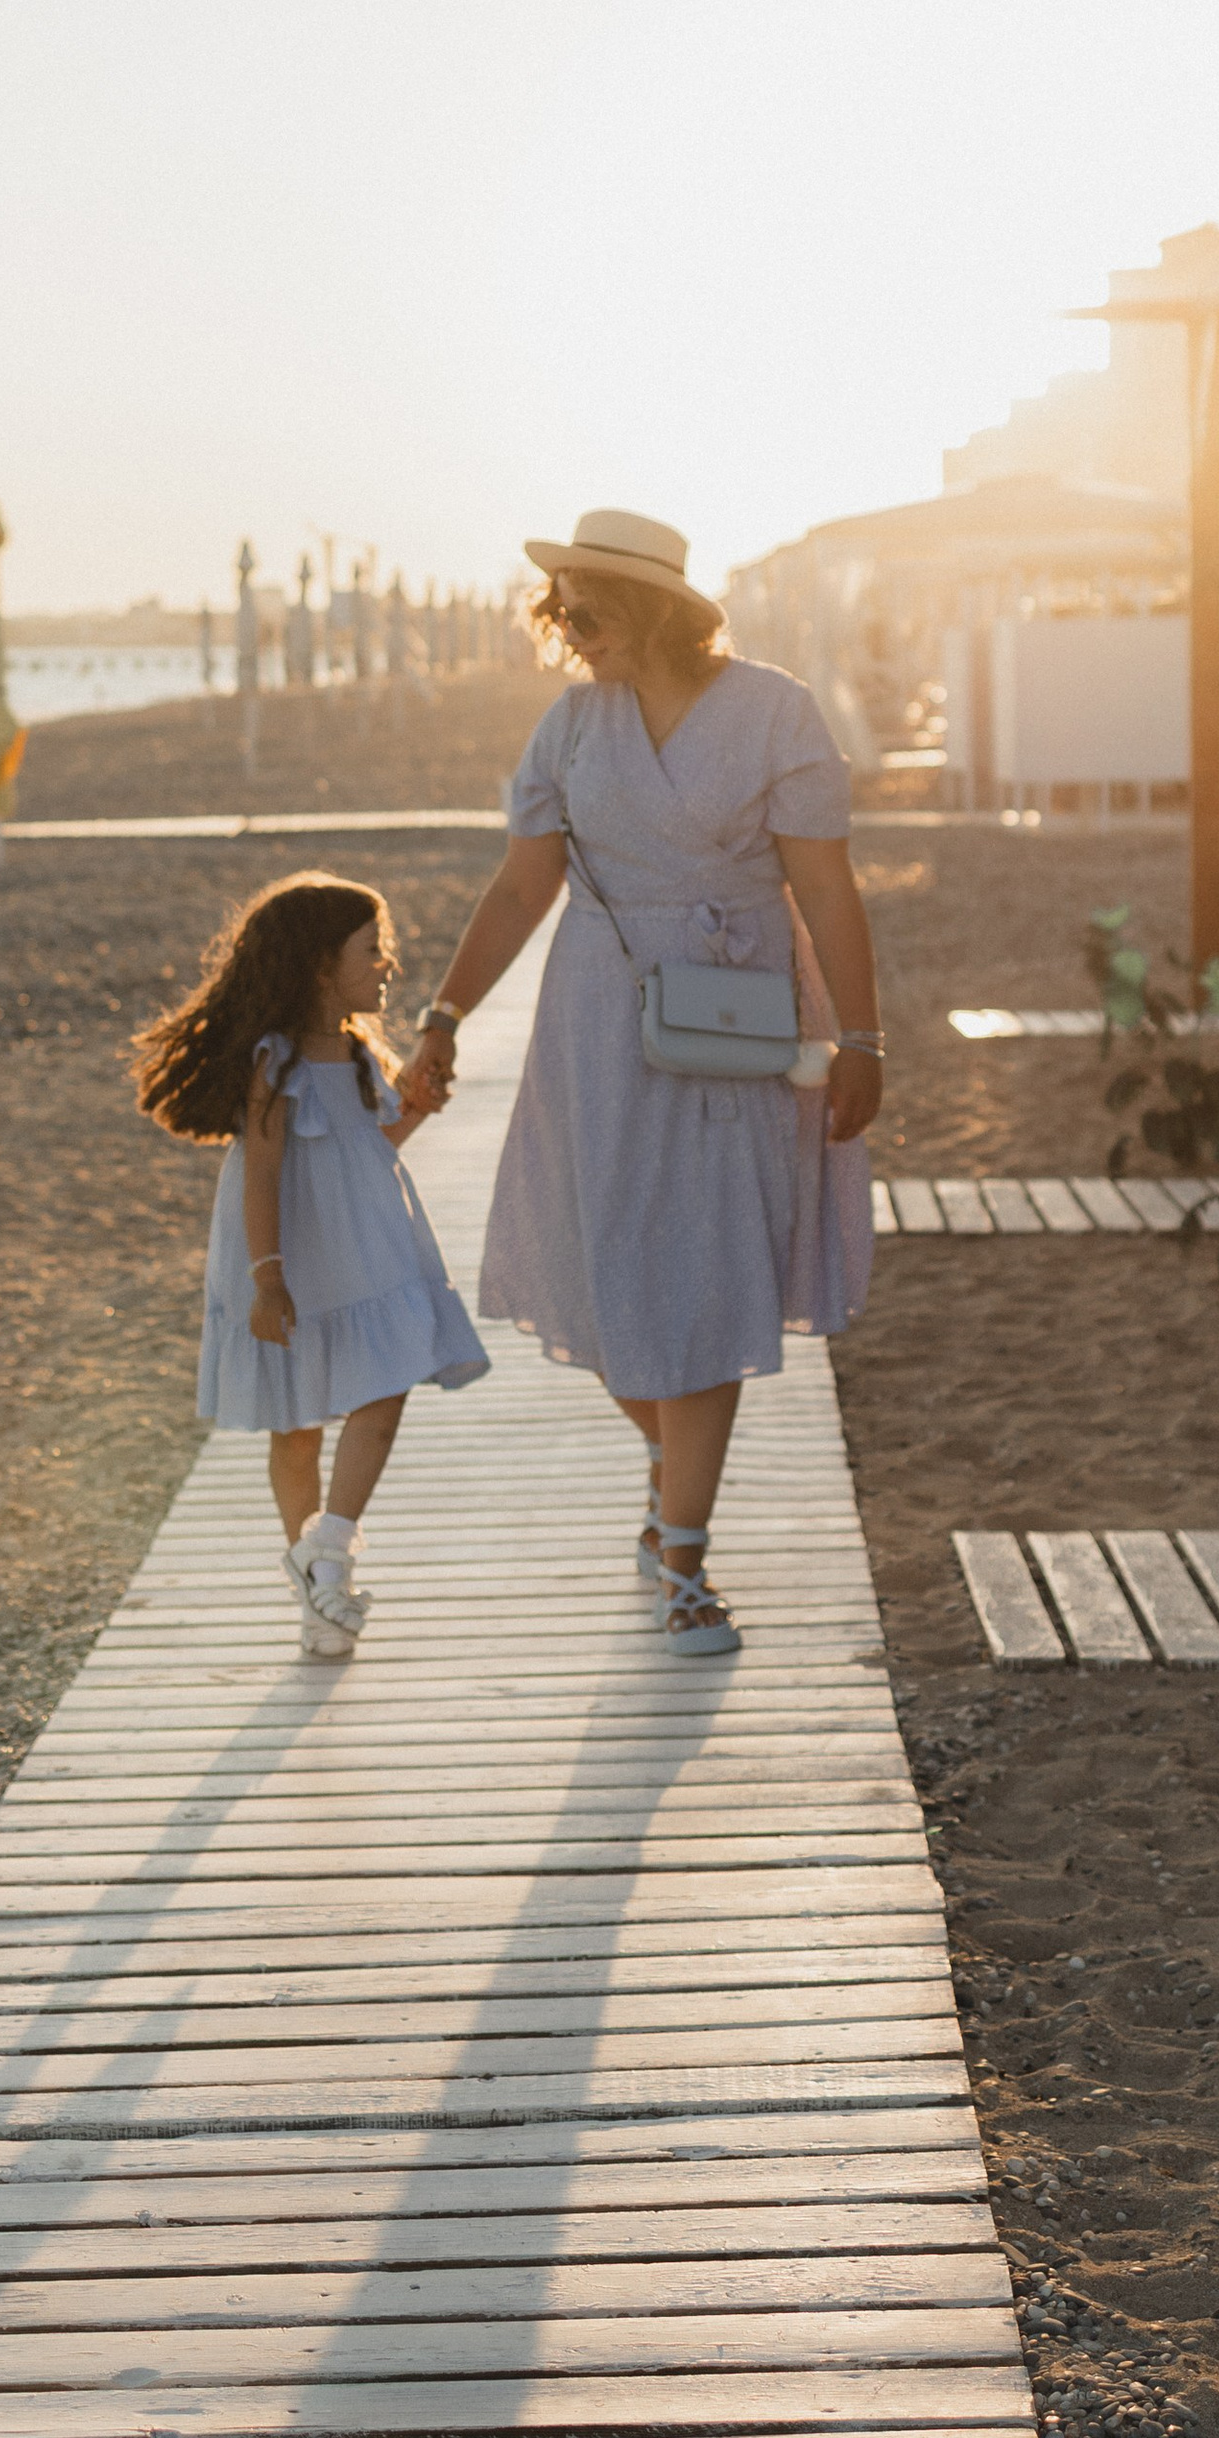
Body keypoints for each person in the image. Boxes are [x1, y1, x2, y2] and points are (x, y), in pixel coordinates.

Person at [400, 508, 880, 1654]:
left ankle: (685, 1564)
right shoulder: (570, 730)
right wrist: (444, 1011)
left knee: (708, 1276)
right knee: (610, 1277)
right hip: (602, 1024)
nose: (569, 630)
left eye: (588, 607)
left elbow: (826, 890)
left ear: (657, 606)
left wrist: (862, 1039)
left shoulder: (776, 712)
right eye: (559, 610)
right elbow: (522, 890)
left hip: (742, 1016)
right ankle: (673, 1467)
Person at [136, 872, 487, 1657]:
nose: (389, 965)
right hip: (290, 1254)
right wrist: (268, 1276)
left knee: (386, 1384)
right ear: (322, 964)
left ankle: (329, 1544)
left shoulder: (361, 1054)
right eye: (374, 950)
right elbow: (261, 1172)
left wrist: (417, 1108)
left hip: (360, 1248)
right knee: (295, 1428)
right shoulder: (278, 1058)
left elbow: (368, 1148)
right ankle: (319, 1594)